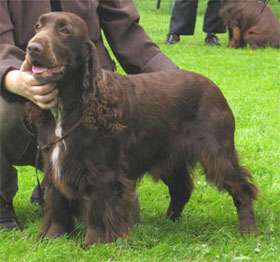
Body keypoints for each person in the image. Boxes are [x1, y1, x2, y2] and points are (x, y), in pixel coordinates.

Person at [0, 0, 178, 231]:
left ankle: (58, 180)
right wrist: (10, 77)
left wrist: (176, 78)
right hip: (22, 91)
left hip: (86, 95)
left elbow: (127, 30)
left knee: (120, 215)